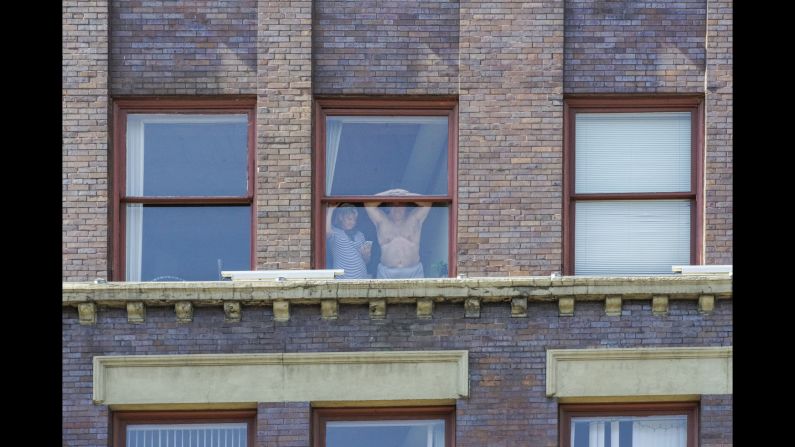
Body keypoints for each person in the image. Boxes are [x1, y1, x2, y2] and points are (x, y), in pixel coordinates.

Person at [364, 188, 431, 279]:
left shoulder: (414, 218)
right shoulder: (382, 220)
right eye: (394, 204)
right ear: (389, 206)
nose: (397, 208)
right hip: (387, 272)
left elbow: (428, 202)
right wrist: (389, 194)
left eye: (401, 204)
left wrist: (406, 195)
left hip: (413, 271)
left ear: (406, 207)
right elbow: (368, 204)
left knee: (419, 294)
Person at [326, 203, 372, 279]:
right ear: (341, 217)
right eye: (349, 219)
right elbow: (326, 232)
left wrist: (366, 255)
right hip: (343, 280)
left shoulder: (360, 235)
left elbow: (367, 261)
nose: (352, 222)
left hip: (361, 279)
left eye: (354, 220)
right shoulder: (334, 232)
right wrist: (331, 209)